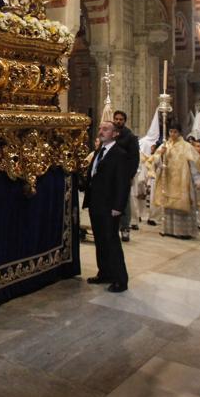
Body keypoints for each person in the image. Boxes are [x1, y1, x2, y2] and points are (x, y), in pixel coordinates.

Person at [81, 120, 130, 293]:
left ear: (115, 133)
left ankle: (120, 279)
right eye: (100, 129)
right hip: (96, 203)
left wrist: (118, 206)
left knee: (111, 241)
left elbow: (123, 183)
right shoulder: (98, 152)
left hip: (110, 206)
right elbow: (94, 176)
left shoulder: (120, 154)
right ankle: (104, 273)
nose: (101, 132)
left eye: (106, 129)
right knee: (100, 241)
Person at [153, 122, 200, 238]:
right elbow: (155, 162)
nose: (173, 134)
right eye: (171, 131)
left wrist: (197, 178)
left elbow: (193, 163)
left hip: (182, 179)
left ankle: (183, 232)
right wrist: (161, 155)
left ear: (179, 132)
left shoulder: (186, 146)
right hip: (168, 179)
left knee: (182, 204)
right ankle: (168, 229)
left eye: (175, 131)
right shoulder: (165, 145)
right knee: (168, 204)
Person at [112, 110, 141, 242]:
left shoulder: (130, 136)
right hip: (111, 173)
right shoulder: (110, 133)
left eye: (121, 119)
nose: (118, 121)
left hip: (124, 174)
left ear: (124, 121)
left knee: (124, 202)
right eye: (116, 119)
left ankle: (125, 228)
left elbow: (135, 158)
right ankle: (113, 227)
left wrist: (130, 175)